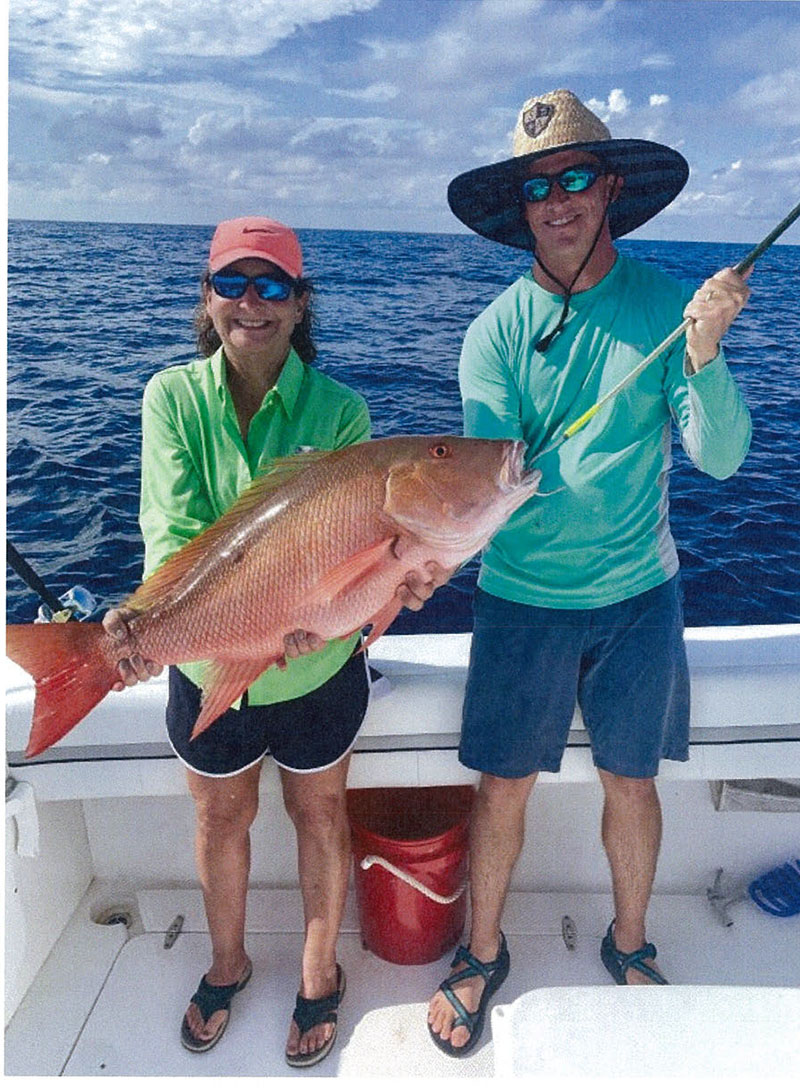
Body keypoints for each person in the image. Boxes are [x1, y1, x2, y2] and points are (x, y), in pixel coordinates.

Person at [427, 89, 752, 1057]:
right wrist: (407, 557)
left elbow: (722, 457)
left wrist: (704, 351)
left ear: (608, 186)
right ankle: (480, 952)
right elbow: (484, 472)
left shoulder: (664, 306)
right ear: (519, 206)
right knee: (501, 788)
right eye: (537, 186)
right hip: (519, 597)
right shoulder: (491, 331)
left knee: (632, 780)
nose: (556, 198)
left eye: (574, 177)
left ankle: (630, 937)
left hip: (637, 597)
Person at [103, 216, 438, 1068]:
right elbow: (174, 529)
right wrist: (150, 623)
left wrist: (404, 577)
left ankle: (319, 972)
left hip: (317, 662)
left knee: (320, 811)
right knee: (220, 815)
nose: (251, 304)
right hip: (211, 658)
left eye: (273, 287)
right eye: (232, 285)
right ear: (208, 299)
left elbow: (363, 555)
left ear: (300, 305)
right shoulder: (170, 398)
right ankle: (228, 962)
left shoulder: (343, 412)